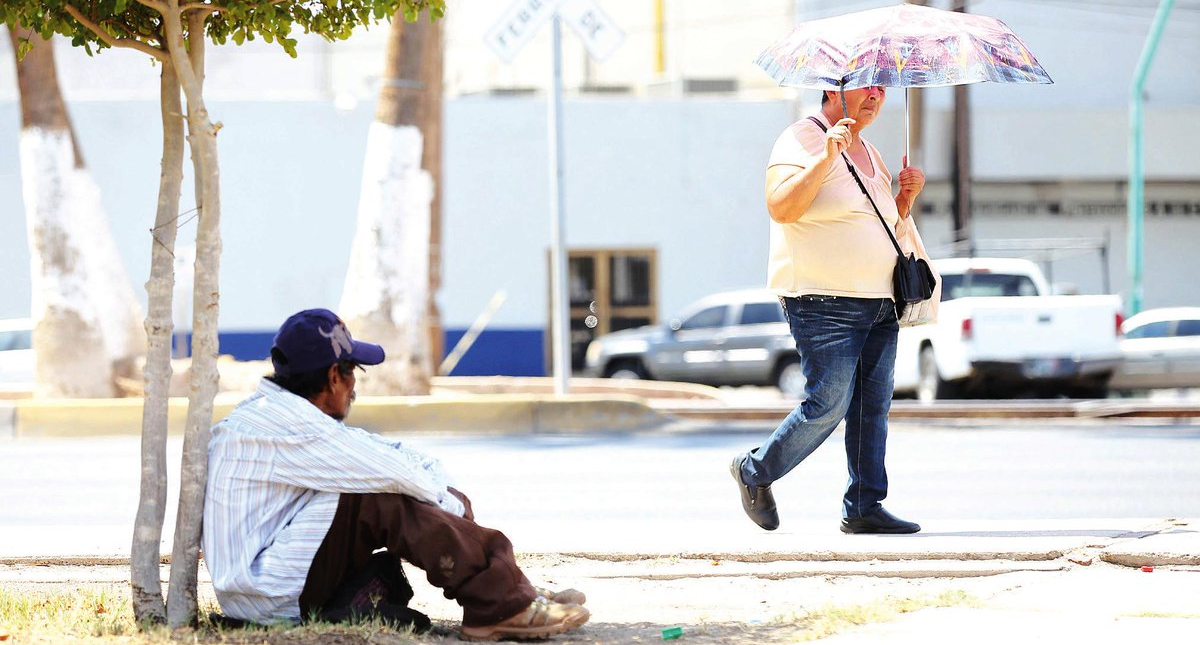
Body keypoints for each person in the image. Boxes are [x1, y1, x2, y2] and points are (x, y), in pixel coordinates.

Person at [202, 308, 590, 641]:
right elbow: (392, 474)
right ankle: (501, 602)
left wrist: (443, 494)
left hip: (265, 585)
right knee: (375, 497)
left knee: (385, 486)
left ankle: (508, 591)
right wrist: (450, 501)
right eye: (353, 373)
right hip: (268, 594)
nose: (354, 388)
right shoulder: (290, 430)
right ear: (334, 377)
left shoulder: (278, 414)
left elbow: (385, 454)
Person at [729, 86, 926, 535]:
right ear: (833, 88)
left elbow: (872, 224)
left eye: (882, 86)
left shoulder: (870, 150)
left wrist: (903, 202)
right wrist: (825, 157)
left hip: (879, 298)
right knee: (827, 404)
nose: (877, 93)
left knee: (870, 408)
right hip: (823, 299)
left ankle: (864, 506)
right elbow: (780, 207)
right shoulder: (802, 137)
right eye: (866, 84)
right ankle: (754, 471)